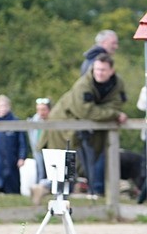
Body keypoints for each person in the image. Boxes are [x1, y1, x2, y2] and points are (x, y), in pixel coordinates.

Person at [39, 53, 127, 197]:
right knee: (64, 166)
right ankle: (45, 191)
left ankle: (89, 195)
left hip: (87, 130)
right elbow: (86, 111)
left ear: (111, 71)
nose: (99, 73)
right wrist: (114, 115)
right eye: (97, 69)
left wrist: (106, 112)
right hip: (62, 124)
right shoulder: (83, 85)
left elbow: (117, 103)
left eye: (103, 70)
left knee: (83, 164)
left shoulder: (117, 84)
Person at [0, 95, 28, 194]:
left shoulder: (16, 122)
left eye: (5, 106)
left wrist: (22, 157)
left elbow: (22, 142)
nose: (3, 108)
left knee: (13, 188)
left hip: (12, 160)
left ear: (9, 107)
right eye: (0, 106)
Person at [27, 97, 52, 204]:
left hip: (50, 150)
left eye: (44, 109)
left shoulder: (53, 121)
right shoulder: (34, 121)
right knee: (39, 171)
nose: (41, 112)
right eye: (39, 109)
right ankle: (38, 190)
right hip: (37, 150)